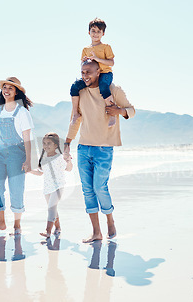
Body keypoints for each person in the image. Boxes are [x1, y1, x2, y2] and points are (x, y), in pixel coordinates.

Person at [64, 59, 135, 243]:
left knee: (99, 187)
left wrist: (118, 111)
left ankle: (110, 219)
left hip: (104, 148)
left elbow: (132, 110)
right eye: (82, 72)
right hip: (84, 148)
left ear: (98, 72)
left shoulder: (113, 90)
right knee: (87, 190)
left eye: (89, 72)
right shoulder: (80, 92)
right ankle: (96, 232)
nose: (85, 76)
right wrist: (67, 143)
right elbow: (75, 119)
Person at [0, 76, 33, 235]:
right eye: (4, 87)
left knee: (16, 189)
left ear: (16, 92)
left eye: (10, 88)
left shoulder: (22, 112)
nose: (6, 90)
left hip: (16, 153)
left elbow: (27, 138)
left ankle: (17, 225)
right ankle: (0, 223)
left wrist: (28, 160)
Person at [70, 18, 116, 127]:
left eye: (99, 31)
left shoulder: (106, 47)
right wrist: (85, 61)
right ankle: (76, 114)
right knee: (74, 87)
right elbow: (83, 65)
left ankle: (112, 114)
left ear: (103, 33)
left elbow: (111, 63)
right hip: (92, 76)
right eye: (93, 31)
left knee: (103, 87)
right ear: (89, 32)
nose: (96, 34)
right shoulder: (85, 49)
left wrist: (97, 59)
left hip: (105, 74)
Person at [30, 132, 73, 238]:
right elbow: (40, 173)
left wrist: (68, 161)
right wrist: (29, 171)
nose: (46, 146)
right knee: (53, 209)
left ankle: (48, 231)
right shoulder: (43, 159)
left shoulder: (59, 157)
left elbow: (69, 169)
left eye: (49, 143)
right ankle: (58, 228)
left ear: (55, 145)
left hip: (58, 187)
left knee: (51, 208)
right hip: (47, 188)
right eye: (44, 143)